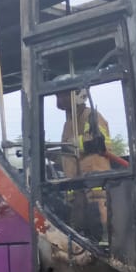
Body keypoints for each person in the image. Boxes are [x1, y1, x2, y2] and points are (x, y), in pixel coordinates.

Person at [56, 88, 112, 236]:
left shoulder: (91, 116)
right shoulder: (68, 124)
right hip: (76, 187)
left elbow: (100, 143)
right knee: (79, 230)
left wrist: (75, 143)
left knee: (100, 227)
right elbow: (67, 155)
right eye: (58, 95)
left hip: (95, 185)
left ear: (78, 95)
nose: (59, 99)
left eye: (63, 94)